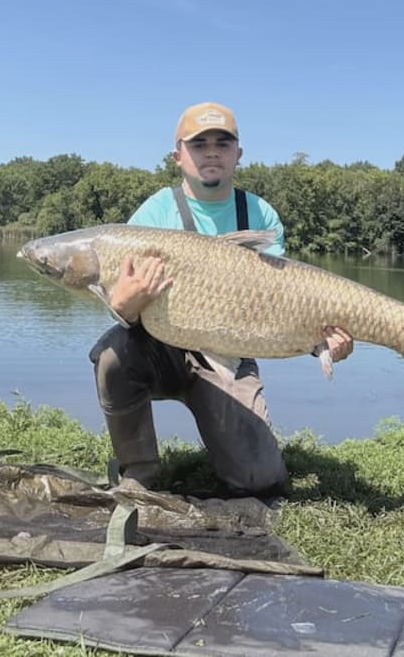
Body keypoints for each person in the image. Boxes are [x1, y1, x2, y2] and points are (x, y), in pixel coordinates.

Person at [89, 102, 354, 496]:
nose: (211, 151)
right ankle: (138, 470)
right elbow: (126, 308)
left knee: (258, 479)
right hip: (159, 346)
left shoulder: (259, 214)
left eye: (222, 143)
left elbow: (277, 305)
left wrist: (322, 343)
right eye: (199, 144)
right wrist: (124, 305)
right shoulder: (154, 212)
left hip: (229, 352)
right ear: (178, 155)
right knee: (112, 355)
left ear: (238, 154)